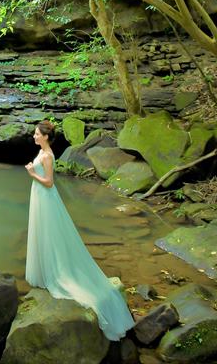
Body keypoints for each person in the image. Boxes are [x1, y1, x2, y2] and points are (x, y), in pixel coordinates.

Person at [24, 120, 135, 341]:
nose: (34, 136)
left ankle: (55, 272)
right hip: (40, 198)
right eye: (35, 134)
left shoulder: (46, 156)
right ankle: (46, 270)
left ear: (45, 137)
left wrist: (31, 173)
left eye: (37, 134)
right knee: (44, 234)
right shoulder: (44, 152)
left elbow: (49, 182)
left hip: (45, 197)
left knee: (50, 235)